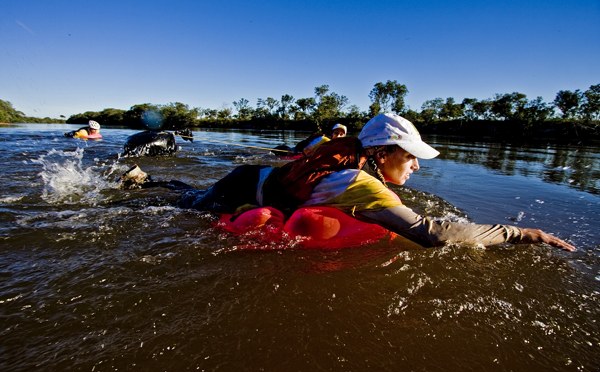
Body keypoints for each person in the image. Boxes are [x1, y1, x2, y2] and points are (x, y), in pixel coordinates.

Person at [120, 113, 575, 251]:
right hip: (240, 189)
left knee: (189, 194)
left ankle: (148, 180)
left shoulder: (352, 156)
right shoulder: (359, 181)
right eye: (410, 156)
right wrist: (519, 232)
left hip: (253, 177)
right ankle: (139, 188)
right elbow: (431, 234)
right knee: (187, 206)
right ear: (381, 152)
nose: (416, 166)